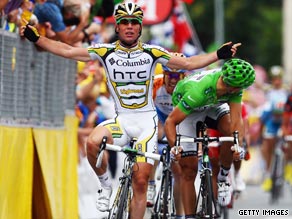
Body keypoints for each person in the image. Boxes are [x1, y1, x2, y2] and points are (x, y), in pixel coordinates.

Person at [20, 2, 241, 218]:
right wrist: (37, 38)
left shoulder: (152, 52)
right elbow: (67, 50)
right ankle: (105, 186)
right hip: (122, 121)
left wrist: (218, 55)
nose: (129, 26)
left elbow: (188, 63)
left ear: (140, 27)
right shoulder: (104, 52)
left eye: (134, 23)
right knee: (93, 143)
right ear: (116, 27)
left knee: (141, 180)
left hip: (146, 124)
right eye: (124, 22)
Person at [164, 58, 255, 218]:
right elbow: (170, 122)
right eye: (239, 88)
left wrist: (237, 144)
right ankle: (190, 215)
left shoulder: (234, 86)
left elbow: (236, 121)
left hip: (213, 106)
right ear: (231, 86)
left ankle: (223, 177)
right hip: (189, 111)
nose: (241, 90)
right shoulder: (197, 91)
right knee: (189, 170)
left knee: (229, 132)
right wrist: (175, 147)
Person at [148, 53, 187, 217]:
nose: (172, 80)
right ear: (163, 74)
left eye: (177, 76)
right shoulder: (155, 84)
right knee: (154, 146)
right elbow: (146, 110)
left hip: (179, 121)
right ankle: (151, 184)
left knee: (178, 170)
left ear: (183, 76)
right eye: (169, 75)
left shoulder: (187, 87)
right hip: (159, 117)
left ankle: (179, 214)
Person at [260, 65, 289, 191]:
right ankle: (267, 174)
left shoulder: (287, 91)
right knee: (267, 144)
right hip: (272, 120)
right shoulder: (268, 90)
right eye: (274, 78)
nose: (277, 81)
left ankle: (288, 169)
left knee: (289, 142)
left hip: (285, 120)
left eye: (279, 78)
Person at [281, 92, 292, 186]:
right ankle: (288, 168)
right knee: (289, 141)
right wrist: (285, 132)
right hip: (290, 125)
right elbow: (285, 121)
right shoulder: (290, 98)